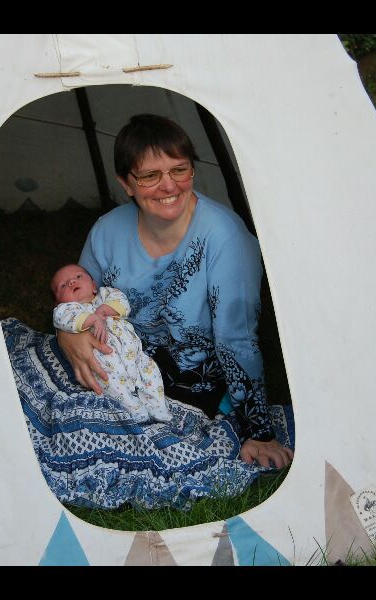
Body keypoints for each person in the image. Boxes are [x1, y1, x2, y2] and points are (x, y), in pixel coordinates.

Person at [57, 114, 293, 470]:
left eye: (180, 170)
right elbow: (77, 298)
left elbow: (237, 340)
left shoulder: (225, 239)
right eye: (150, 176)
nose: (169, 186)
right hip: (123, 360)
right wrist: (67, 337)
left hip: (191, 381)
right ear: (126, 183)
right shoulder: (107, 231)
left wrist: (258, 432)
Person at [50, 263, 173, 424]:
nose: (72, 282)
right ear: (59, 301)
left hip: (135, 354)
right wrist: (93, 319)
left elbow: (122, 303)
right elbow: (62, 319)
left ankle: (158, 407)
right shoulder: (67, 310)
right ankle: (134, 410)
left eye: (78, 277)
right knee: (111, 383)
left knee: (151, 372)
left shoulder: (106, 295)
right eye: (63, 285)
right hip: (105, 358)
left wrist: (102, 311)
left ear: (94, 285)